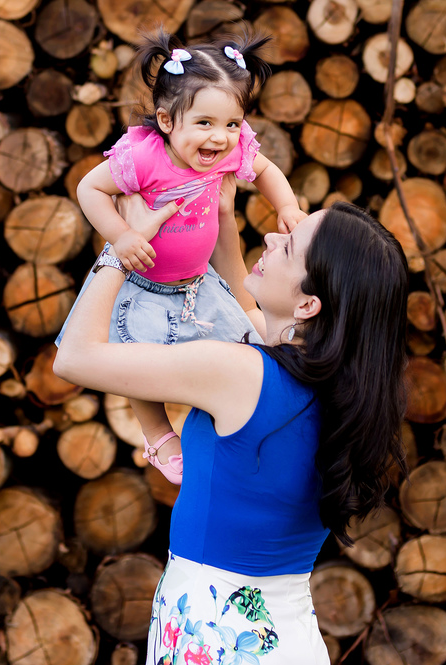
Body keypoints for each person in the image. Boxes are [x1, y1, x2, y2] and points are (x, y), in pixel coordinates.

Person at [54, 177, 410, 665]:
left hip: (216, 632)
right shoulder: (343, 389)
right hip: (284, 635)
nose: (271, 238)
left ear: (309, 304)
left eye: (288, 247)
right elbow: (248, 308)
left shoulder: (241, 372)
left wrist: (121, 248)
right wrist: (223, 216)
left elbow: (73, 359)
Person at [62, 26, 306, 485]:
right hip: (143, 283)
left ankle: (232, 422)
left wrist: (287, 205)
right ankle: (157, 435)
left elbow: (267, 169)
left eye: (232, 124)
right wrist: (121, 235)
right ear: (167, 121)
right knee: (134, 356)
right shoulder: (144, 157)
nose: (221, 138)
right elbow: (89, 187)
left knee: (244, 345)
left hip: (198, 281)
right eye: (206, 124)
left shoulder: (224, 155)